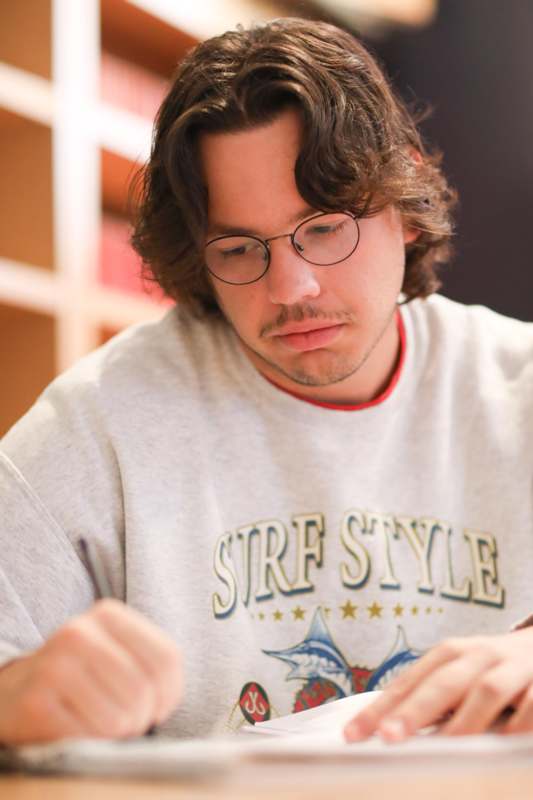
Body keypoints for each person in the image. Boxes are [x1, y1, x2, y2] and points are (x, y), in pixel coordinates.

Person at [1, 16, 532, 747]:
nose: (291, 287)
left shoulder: (519, 388)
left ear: (403, 205)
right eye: (239, 246)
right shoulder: (100, 425)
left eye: (323, 227)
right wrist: (11, 701)